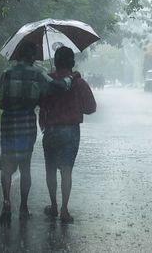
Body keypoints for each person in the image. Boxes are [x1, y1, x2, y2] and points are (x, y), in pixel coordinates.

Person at [0, 42, 79, 224]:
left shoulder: (6, 73)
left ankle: (6, 201)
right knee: (24, 164)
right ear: (32, 56)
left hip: (8, 121)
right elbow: (58, 86)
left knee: (7, 163)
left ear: (18, 56)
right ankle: (23, 207)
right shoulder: (37, 73)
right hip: (26, 120)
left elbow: (2, 101)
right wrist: (72, 77)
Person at [39, 46, 96, 224]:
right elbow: (91, 108)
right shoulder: (79, 83)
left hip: (51, 130)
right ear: (72, 62)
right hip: (70, 131)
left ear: (55, 61)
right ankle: (64, 209)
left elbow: (40, 102)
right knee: (66, 170)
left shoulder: (48, 80)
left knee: (50, 170)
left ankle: (53, 205)